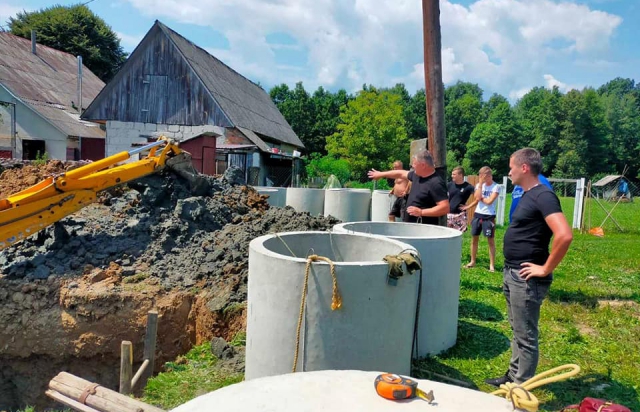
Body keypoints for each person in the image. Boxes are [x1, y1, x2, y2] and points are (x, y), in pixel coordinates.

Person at [485, 148, 573, 387]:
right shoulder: (527, 194)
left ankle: (521, 388)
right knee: (517, 330)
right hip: (512, 272)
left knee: (525, 335)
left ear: (524, 168)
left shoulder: (543, 195)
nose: (509, 171)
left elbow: (564, 235)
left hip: (526, 279)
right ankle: (513, 376)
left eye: (511, 166)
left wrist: (544, 269)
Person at [368, 150, 449, 225]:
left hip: (424, 229)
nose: (412, 166)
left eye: (414, 164)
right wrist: (381, 174)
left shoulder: (436, 183)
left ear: (423, 165)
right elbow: (400, 173)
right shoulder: (417, 175)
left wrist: (421, 212)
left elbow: (444, 208)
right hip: (411, 226)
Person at [465, 166, 500, 272]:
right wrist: (480, 184)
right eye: (480, 176)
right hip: (477, 214)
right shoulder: (479, 185)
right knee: (474, 239)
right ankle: (472, 261)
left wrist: (481, 198)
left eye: (484, 176)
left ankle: (492, 265)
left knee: (491, 241)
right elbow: (476, 197)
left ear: (489, 175)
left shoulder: (496, 187)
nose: (482, 178)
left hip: (489, 216)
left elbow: (490, 201)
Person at [447, 166, 475, 231]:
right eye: (452, 174)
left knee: (458, 236)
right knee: (447, 235)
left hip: (460, 215)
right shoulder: (449, 185)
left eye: (454, 174)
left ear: (460, 175)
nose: (452, 176)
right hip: (448, 214)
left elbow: (478, 198)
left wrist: (468, 206)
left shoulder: (468, 187)